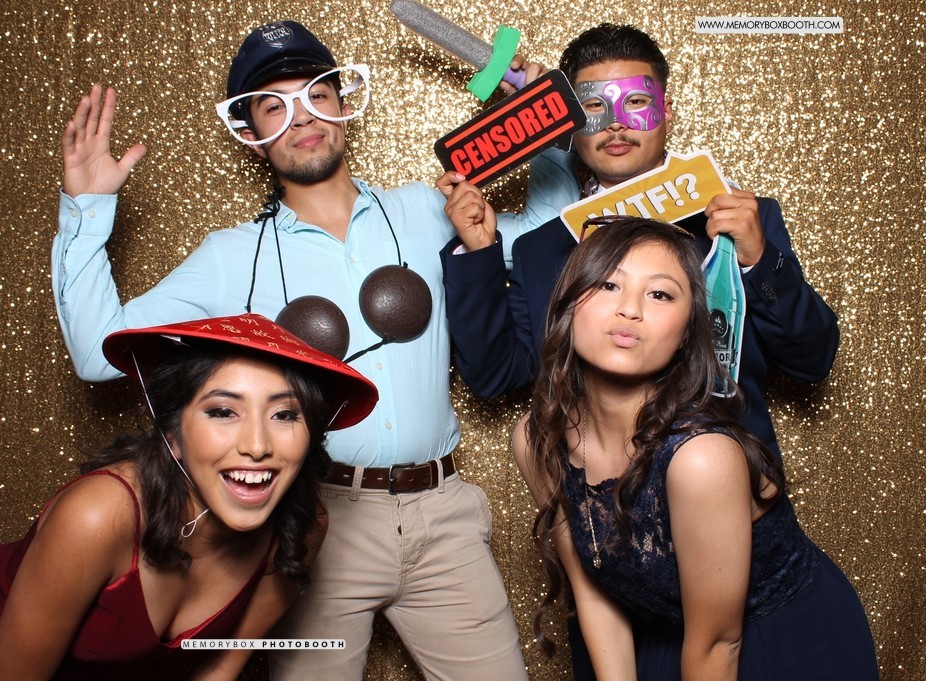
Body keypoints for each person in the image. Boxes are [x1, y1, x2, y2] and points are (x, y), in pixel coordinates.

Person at [52, 20, 575, 680]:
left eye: (316, 94)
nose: (301, 116)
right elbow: (97, 353)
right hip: (319, 522)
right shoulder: (231, 257)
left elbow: (546, 238)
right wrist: (88, 209)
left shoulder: (426, 211)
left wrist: (542, 117)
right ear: (250, 132)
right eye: (275, 105)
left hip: (444, 515)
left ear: (342, 104)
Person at [440, 23, 840, 468]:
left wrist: (760, 261)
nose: (615, 123)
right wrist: (478, 252)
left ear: (666, 111)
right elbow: (495, 375)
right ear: (570, 122)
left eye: (635, 101)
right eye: (593, 105)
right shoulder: (544, 248)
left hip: (731, 489)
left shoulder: (741, 219)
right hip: (603, 500)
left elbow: (812, 361)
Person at [512, 217, 878, 680]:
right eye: (608, 284)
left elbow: (718, 644)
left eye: (659, 294)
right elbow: (593, 589)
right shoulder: (536, 438)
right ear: (567, 304)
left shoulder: (701, 457)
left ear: (687, 331)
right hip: (667, 634)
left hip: (782, 644)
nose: (629, 310)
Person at [0, 312, 378, 680]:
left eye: (283, 415)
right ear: (173, 434)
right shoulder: (97, 515)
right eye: (224, 411)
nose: (257, 446)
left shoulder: (302, 527)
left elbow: (220, 669)